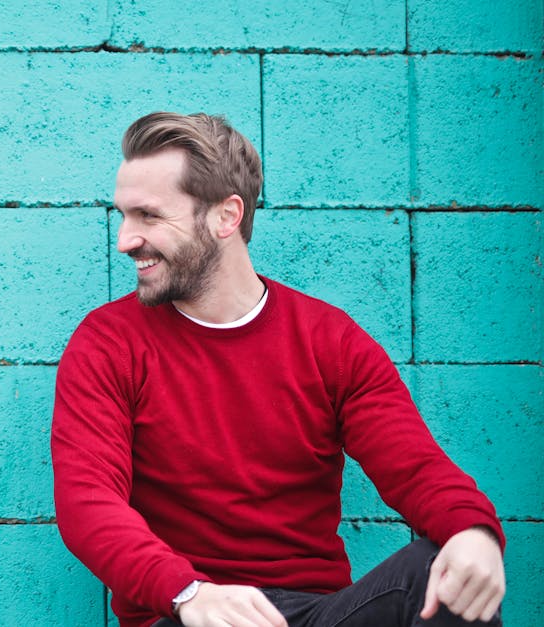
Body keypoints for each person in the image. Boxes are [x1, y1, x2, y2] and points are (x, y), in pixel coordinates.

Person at [51, 112, 506, 627]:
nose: (125, 240)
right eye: (123, 216)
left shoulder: (328, 340)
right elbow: (87, 504)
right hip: (184, 612)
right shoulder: (109, 343)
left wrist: (474, 533)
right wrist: (188, 592)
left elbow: (415, 467)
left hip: (316, 613)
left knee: (440, 573)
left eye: (148, 216)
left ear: (226, 217)